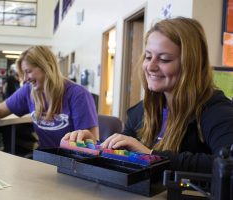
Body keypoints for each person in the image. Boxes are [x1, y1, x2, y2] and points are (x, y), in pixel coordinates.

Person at [63, 17, 233, 173]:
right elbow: (122, 156)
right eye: (148, 56)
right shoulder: (142, 111)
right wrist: (94, 147)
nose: (150, 67)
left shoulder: (216, 110)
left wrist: (151, 155)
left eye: (164, 59)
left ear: (191, 64)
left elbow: (228, 164)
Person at [0, 46, 99, 149]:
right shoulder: (29, 91)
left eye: (28, 72)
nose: (25, 79)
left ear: (46, 67)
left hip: (72, 163)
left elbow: (93, 141)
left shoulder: (78, 95)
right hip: (44, 159)